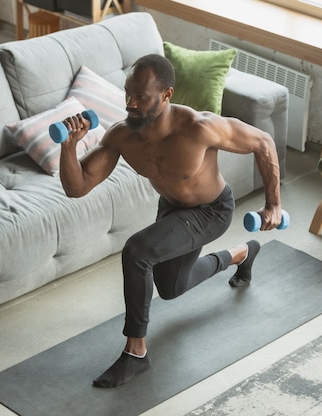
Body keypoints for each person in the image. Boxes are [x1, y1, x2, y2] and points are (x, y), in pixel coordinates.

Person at [59, 54, 282, 388]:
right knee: (171, 288)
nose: (130, 103)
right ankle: (242, 254)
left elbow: (263, 142)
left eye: (141, 97)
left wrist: (274, 204)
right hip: (173, 210)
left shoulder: (200, 128)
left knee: (137, 251)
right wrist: (68, 147)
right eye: (127, 94)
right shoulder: (123, 136)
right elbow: (77, 188)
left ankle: (135, 353)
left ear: (167, 95)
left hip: (211, 211)